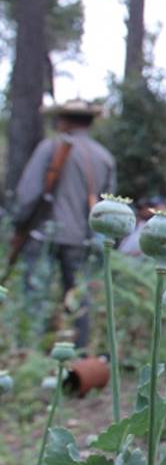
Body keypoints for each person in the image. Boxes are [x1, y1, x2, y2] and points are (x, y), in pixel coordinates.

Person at [13, 99, 117, 348]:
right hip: (82, 239)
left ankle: (29, 354)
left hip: (43, 236)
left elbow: (28, 193)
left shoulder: (50, 147)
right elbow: (110, 205)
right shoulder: (104, 157)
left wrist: (18, 224)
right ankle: (75, 357)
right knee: (79, 301)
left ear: (64, 120)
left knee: (36, 298)